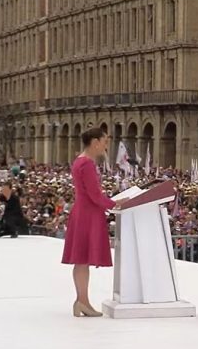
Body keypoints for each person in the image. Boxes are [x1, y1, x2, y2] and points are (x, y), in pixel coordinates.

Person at [61, 128, 127, 317]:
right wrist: (115, 203)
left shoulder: (80, 161)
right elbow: (95, 195)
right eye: (105, 141)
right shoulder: (87, 164)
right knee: (82, 259)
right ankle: (82, 301)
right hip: (88, 215)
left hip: (82, 212)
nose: (106, 146)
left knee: (81, 260)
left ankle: (82, 301)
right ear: (95, 142)